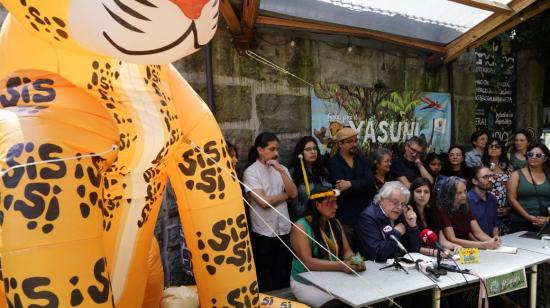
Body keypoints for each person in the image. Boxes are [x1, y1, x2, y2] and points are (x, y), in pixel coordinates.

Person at [290, 187, 365, 307]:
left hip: (332, 278)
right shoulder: (300, 227)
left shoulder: (335, 223)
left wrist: (356, 260)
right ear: (317, 205)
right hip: (306, 283)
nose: (336, 207)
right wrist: (341, 265)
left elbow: (347, 251)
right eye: (330, 203)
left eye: (336, 202)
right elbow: (308, 262)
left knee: (363, 296)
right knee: (339, 305)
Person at [243, 132, 298, 292]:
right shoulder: (251, 172)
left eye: (277, 149)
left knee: (284, 271)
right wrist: (285, 195)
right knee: (266, 274)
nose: (276, 153)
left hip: (284, 228)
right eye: (272, 149)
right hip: (264, 232)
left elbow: (293, 193)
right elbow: (264, 202)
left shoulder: (282, 169)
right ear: (260, 150)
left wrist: (281, 171)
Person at [328, 127, 376, 247]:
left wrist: (350, 184)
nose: (354, 144)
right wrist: (361, 184)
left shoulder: (361, 159)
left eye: (355, 141)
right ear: (340, 144)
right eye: (350, 142)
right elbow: (340, 188)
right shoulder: (334, 162)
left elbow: (369, 182)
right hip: (346, 217)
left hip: (365, 215)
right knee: (350, 252)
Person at [356, 181, 422, 262]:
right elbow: (377, 253)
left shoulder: (401, 216)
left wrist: (412, 226)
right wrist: (396, 233)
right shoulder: (368, 217)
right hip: (372, 267)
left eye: (402, 204)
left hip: (398, 264)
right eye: (395, 202)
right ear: (382, 199)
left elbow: (415, 249)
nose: (399, 207)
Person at [438, 176, 501, 249]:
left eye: (465, 191)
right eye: (459, 193)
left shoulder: (465, 206)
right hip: (454, 249)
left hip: (469, 247)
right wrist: (483, 245)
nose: (464, 195)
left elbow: (478, 233)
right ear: (450, 194)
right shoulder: (443, 210)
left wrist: (492, 241)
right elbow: (452, 239)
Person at [409, 178, 460, 257]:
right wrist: (435, 252)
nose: (422, 195)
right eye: (418, 191)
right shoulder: (408, 213)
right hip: (414, 258)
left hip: (432, 256)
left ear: (430, 195)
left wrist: (456, 246)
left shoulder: (433, 212)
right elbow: (411, 246)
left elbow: (442, 241)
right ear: (412, 193)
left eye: (426, 192)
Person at [507, 143, 550, 232]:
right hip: (520, 222)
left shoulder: (549, 175)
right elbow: (511, 199)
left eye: (538, 155)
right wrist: (529, 217)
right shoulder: (516, 175)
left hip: (545, 223)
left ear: (545, 158)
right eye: (530, 154)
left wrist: (548, 219)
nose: (533, 157)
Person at [290, 136, 330, 221]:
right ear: (300, 152)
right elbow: (295, 206)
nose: (313, 152)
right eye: (308, 149)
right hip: (303, 219)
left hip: (323, 217)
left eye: (315, 148)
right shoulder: (293, 173)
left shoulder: (323, 170)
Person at [482, 137, 512, 234]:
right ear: (487, 149)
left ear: (502, 149)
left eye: (497, 146)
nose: (494, 148)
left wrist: (509, 208)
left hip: (505, 212)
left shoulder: (509, 168)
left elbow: (514, 191)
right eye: (491, 146)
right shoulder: (481, 167)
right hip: (485, 211)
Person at [468, 167, 499, 237]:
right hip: (473, 244)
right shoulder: (467, 200)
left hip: (491, 242)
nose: (490, 179)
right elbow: (467, 231)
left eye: (490, 176)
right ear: (474, 181)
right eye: (485, 177)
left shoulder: (492, 198)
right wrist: (484, 244)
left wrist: (496, 238)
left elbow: (495, 225)